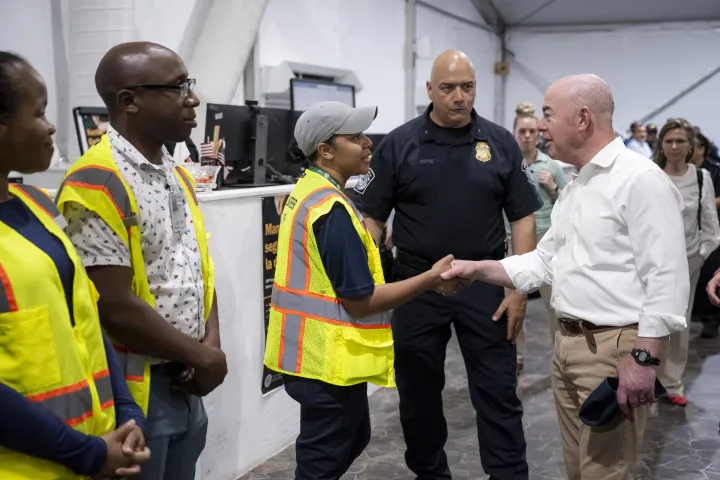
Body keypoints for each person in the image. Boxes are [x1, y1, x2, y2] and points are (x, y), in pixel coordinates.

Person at [440, 74, 689, 480]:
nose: (540, 125)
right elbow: (543, 262)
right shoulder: (578, 185)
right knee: (579, 471)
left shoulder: (640, 181)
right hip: (569, 347)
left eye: (549, 115)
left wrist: (644, 359)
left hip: (614, 350)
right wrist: (477, 269)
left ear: (583, 119)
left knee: (605, 473)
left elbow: (667, 279)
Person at [353, 49, 541, 479]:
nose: (459, 97)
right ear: (429, 90)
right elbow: (373, 218)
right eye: (448, 88)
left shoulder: (499, 142)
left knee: (498, 391)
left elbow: (523, 216)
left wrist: (518, 288)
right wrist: (369, 280)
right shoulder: (399, 144)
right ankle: (430, 472)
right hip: (420, 286)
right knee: (418, 394)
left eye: (467, 87)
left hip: (486, 284)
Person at [54, 42, 227, 480]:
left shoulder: (175, 171)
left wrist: (209, 349)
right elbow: (114, 307)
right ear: (129, 101)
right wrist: (203, 358)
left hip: (187, 378)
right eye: (177, 88)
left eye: (188, 84)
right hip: (138, 390)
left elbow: (196, 269)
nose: (193, 98)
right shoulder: (97, 181)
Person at [263, 100, 458, 480]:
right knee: (324, 458)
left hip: (314, 355)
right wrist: (430, 279)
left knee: (350, 438)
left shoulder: (311, 192)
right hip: (324, 359)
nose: (368, 143)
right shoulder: (330, 209)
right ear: (325, 150)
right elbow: (361, 301)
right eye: (355, 137)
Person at [0, 51, 151, 479]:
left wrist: (127, 415)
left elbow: (83, 321)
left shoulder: (39, 206)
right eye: (40, 112)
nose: (50, 126)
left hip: (94, 453)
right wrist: (86, 453)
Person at [653, 118, 720, 405]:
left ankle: (673, 383)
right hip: (652, 262)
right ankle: (647, 377)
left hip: (688, 261)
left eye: (680, 141)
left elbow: (710, 227)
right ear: (661, 145)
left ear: (690, 145)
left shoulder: (701, 178)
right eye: (669, 141)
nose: (674, 146)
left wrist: (700, 257)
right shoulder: (651, 175)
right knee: (650, 321)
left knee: (678, 322)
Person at [506, 101, 567, 374]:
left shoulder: (551, 165)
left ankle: (562, 357)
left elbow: (569, 201)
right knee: (513, 300)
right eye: (523, 131)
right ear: (515, 132)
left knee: (555, 302)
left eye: (532, 131)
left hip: (546, 238)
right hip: (513, 238)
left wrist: (553, 187)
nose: (528, 136)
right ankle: (516, 356)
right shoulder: (506, 165)